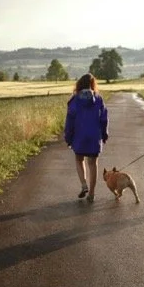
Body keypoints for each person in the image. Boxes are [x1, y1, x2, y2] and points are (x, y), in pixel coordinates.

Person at [64, 73, 109, 203]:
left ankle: (84, 185)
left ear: (79, 85)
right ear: (92, 84)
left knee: (79, 159)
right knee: (93, 163)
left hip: (79, 136)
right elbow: (104, 119)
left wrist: (68, 137)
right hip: (94, 136)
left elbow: (69, 122)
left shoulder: (74, 100)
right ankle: (92, 194)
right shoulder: (99, 99)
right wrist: (104, 135)